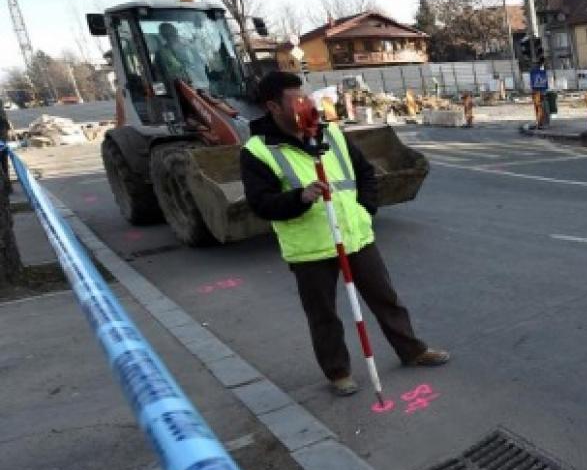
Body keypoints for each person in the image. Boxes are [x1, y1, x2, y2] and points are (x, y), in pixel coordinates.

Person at [240, 71, 449, 397]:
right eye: (295, 100)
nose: (305, 104)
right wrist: (299, 198)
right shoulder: (258, 150)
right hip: (310, 248)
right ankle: (338, 372)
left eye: (305, 97)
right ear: (273, 107)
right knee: (323, 315)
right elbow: (260, 204)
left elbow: (365, 173)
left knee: (386, 299)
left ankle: (412, 350)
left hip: (355, 236)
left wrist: (366, 209)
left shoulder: (331, 133)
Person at [154, 22, 209, 87]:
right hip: (177, 88)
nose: (171, 36)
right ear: (163, 36)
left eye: (172, 32)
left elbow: (202, 66)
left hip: (200, 85)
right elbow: (158, 76)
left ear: (176, 32)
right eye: (167, 34)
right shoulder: (161, 54)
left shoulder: (190, 48)